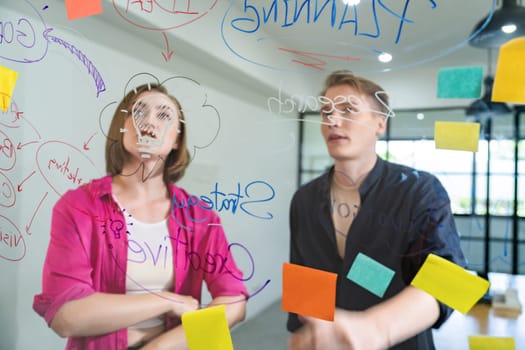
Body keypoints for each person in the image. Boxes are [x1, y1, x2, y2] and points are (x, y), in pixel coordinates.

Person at [33, 82, 248, 350]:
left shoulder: (200, 217)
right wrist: (166, 300)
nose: (149, 121)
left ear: (176, 139)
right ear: (121, 128)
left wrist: (161, 347)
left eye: (164, 115)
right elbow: (66, 316)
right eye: (138, 112)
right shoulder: (77, 207)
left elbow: (234, 301)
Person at [287, 70, 466, 350]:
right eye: (326, 112)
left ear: (379, 123)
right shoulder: (304, 199)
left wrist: (377, 328)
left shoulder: (420, 190)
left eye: (348, 110)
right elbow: (305, 278)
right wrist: (303, 332)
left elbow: (451, 281)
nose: (333, 120)